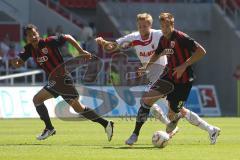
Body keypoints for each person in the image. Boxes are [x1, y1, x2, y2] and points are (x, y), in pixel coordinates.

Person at [11, 24, 114, 141]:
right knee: (77, 108)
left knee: (38, 100)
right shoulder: (29, 49)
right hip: (56, 81)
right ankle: (106, 124)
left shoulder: (48, 42)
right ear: (27, 38)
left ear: (38, 33)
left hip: (62, 79)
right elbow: (18, 63)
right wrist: (14, 62)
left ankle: (49, 128)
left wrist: (80, 51)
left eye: (34, 34)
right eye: (30, 35)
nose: (33, 37)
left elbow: (68, 37)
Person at [95, 13, 178, 145]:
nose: (142, 29)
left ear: (150, 26)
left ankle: (135, 135)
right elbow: (112, 47)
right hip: (151, 74)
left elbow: (173, 40)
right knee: (155, 106)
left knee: (145, 101)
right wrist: (103, 42)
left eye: (145, 26)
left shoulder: (158, 35)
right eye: (140, 26)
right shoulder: (133, 37)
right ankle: (201, 128)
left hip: (165, 74)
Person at [144, 12, 220, 145]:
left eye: (167, 26)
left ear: (172, 25)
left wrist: (183, 66)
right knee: (147, 98)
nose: (164, 29)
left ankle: (211, 129)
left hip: (183, 81)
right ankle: (176, 117)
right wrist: (146, 67)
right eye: (162, 26)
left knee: (173, 114)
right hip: (169, 76)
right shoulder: (163, 39)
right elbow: (156, 54)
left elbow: (201, 51)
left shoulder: (181, 37)